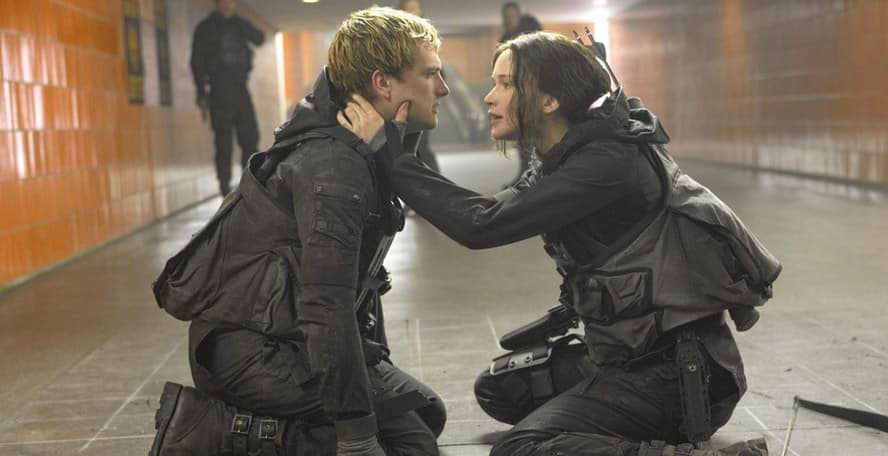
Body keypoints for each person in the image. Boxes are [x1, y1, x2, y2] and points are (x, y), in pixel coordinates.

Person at [338, 31, 779, 456]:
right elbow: (484, 211)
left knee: (521, 448)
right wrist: (406, 145)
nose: (489, 97)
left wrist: (393, 158)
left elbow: (481, 227)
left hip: (680, 376)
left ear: (549, 101)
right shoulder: (569, 155)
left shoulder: (606, 164)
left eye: (506, 84)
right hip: (630, 354)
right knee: (500, 388)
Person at [150, 6, 449, 455]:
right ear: (382, 83)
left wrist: (373, 377)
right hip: (252, 351)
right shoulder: (334, 166)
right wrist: (357, 434)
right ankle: (214, 435)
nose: (443, 88)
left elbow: (359, 284)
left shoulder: (364, 147)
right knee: (409, 446)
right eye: (430, 74)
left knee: (424, 415)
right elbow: (326, 305)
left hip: (288, 335)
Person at [190, 0, 264, 197]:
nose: (228, 5)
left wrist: (241, 23)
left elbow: (259, 38)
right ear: (217, 4)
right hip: (219, 91)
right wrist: (201, 92)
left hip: (240, 88)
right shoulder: (206, 28)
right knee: (223, 142)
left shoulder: (240, 24)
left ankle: (250, 180)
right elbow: (197, 62)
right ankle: (224, 184)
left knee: (250, 136)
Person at [498, 2, 541, 188]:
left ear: (518, 15)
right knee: (522, 135)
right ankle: (526, 172)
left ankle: (535, 174)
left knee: (533, 134)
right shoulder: (505, 39)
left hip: (531, 92)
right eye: (506, 17)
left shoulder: (531, 33)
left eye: (511, 16)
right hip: (516, 94)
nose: (509, 20)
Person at [396, 0, 441, 174]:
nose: (412, 13)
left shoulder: (427, 37)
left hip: (423, 95)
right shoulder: (397, 39)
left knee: (420, 142)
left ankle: (433, 181)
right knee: (411, 142)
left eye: (415, 9)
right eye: (409, 9)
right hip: (406, 95)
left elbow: (435, 66)